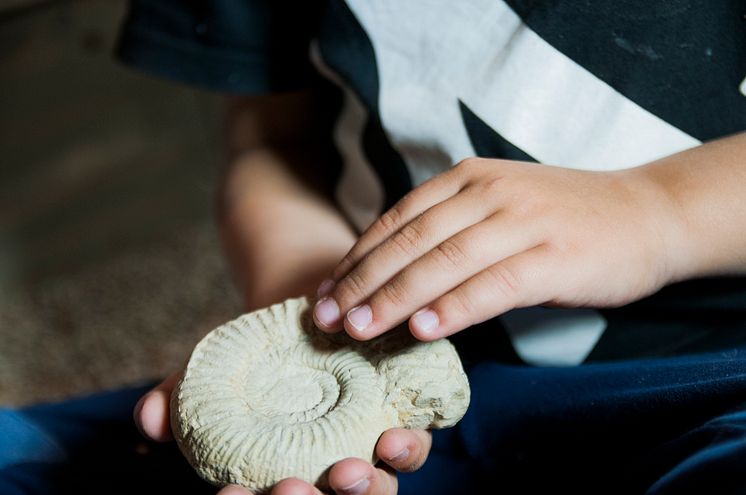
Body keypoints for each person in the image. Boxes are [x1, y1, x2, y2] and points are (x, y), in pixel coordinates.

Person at [3, 1, 746, 494]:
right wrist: (304, 299)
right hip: (392, 413)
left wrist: (659, 208)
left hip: (699, 380)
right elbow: (273, 139)